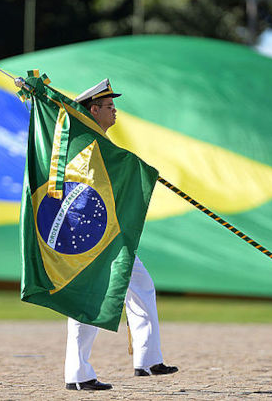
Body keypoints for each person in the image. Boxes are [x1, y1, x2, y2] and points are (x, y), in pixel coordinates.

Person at [64, 79, 178, 391]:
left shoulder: (101, 144)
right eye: (110, 106)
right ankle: (77, 374)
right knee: (89, 298)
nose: (115, 111)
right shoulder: (88, 145)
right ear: (94, 109)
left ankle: (147, 360)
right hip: (91, 234)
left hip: (109, 233)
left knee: (142, 286)